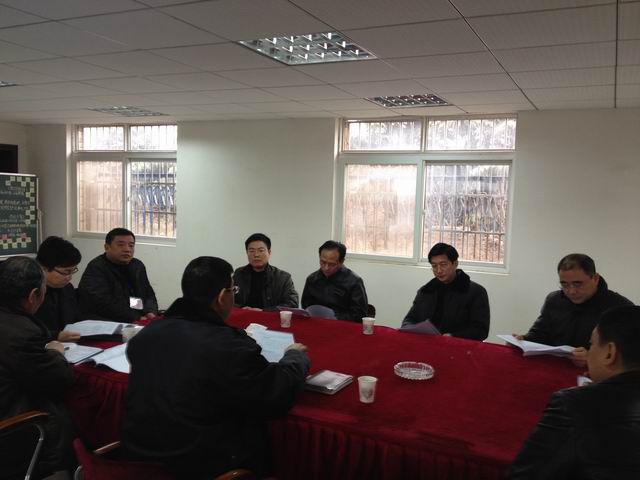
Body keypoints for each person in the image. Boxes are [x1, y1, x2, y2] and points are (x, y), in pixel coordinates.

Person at [121, 256, 310, 479]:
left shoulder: (146, 335)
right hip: (202, 463)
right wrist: (295, 358)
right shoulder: (227, 346)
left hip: (140, 457)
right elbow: (276, 394)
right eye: (233, 290)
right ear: (222, 297)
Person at [508, 305, 640, 479]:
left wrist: (588, 395)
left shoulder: (574, 404)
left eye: (592, 344)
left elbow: (525, 475)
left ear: (610, 353)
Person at [0, 256, 75, 478]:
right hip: (11, 429)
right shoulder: (22, 334)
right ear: (33, 295)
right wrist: (56, 353)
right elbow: (61, 379)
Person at [515, 254, 632, 366]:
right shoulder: (554, 300)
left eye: (578, 284)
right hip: (553, 367)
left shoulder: (620, 308)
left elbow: (629, 356)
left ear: (595, 278)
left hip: (596, 375)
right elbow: (540, 334)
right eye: (565, 285)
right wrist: (523, 340)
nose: (571, 292)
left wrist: (592, 358)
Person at [402, 243, 490, 340]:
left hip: (458, 346)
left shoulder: (476, 292)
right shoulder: (426, 291)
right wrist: (408, 327)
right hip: (427, 344)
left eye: (443, 265)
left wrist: (452, 336)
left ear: (455, 264)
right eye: (434, 266)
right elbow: (409, 319)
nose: (439, 270)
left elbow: (481, 330)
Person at [77, 228, 158, 322]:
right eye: (121, 245)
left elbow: (147, 294)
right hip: (102, 318)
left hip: (131, 313)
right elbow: (101, 302)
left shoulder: (137, 265)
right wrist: (136, 317)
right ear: (107, 247)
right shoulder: (97, 267)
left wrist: (150, 312)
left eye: (131, 245)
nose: (127, 249)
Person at [301, 240, 368, 322]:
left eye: (332, 264)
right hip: (316, 323)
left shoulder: (354, 282)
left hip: (341, 325)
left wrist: (334, 317)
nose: (326, 268)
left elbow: (359, 315)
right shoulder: (312, 279)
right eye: (323, 262)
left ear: (341, 262)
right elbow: (306, 307)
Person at [233, 233, 298, 310]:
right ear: (247, 253)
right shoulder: (239, 274)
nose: (256, 255)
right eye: (251, 251)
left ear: (269, 252)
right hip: (244, 315)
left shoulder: (283, 278)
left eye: (261, 250)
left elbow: (292, 303)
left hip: (270, 317)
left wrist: (265, 311)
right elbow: (227, 299)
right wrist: (241, 308)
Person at [35, 236, 82, 342]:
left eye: (73, 271)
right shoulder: (29, 292)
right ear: (43, 268)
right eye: (66, 272)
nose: (69, 278)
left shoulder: (67, 288)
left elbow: (74, 317)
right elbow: (23, 329)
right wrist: (55, 336)